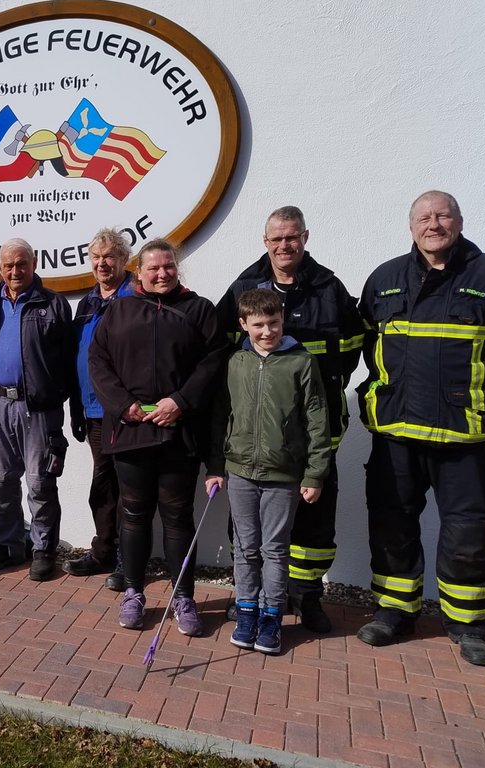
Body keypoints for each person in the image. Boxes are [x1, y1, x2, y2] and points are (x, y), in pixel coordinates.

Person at [356, 190, 485, 666]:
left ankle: (468, 622)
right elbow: (367, 345)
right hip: (395, 428)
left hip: (461, 433)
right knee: (391, 522)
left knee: (467, 531)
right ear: (411, 226)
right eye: (423, 216)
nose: (433, 224)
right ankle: (395, 610)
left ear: (458, 221)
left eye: (442, 215)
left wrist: (472, 391)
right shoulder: (385, 279)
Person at [215, 206, 363, 632]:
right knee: (248, 527)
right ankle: (253, 599)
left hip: (316, 436)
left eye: (292, 237)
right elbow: (226, 348)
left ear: (305, 237)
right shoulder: (245, 286)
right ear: (266, 242)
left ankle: (306, 597)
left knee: (314, 521)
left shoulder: (328, 288)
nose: (285, 245)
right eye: (277, 239)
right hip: (257, 441)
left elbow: (351, 348)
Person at [89, 240, 230, 632]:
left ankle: (183, 597)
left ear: (177, 269)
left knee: (177, 519)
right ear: (139, 273)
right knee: (132, 518)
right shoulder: (118, 310)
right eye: (153, 268)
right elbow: (98, 362)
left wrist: (180, 401)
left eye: (168, 266)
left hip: (177, 434)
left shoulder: (199, 310)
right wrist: (122, 405)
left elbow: (213, 362)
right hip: (131, 432)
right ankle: (134, 592)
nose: (162, 274)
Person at [206, 288, 331, 655]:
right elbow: (220, 417)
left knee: (275, 549)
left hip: (283, 474)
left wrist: (314, 473)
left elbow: (317, 421)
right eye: (258, 325)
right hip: (240, 471)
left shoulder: (301, 363)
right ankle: (246, 611)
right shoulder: (236, 362)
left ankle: (271, 617)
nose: (266, 331)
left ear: (282, 319)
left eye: (273, 323)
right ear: (243, 324)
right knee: (246, 549)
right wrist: (216, 466)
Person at [0, 238, 75, 581]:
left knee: (40, 483)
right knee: (1, 481)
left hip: (39, 409)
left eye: (22, 264)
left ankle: (43, 549)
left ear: (34, 265)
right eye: (8, 265)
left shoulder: (53, 305)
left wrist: (65, 404)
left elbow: (69, 361)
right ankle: (7, 545)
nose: (15, 271)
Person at [62, 228, 134, 588]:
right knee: (103, 485)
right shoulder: (88, 302)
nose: (103, 263)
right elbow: (81, 358)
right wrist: (76, 407)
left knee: (127, 485)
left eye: (110, 256)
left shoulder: (136, 295)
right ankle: (104, 550)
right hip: (92, 411)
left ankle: (127, 557)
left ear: (124, 260)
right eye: (97, 257)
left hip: (124, 411)